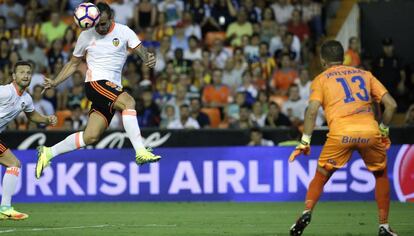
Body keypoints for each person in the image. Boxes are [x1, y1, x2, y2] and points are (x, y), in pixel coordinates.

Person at [36, 2, 160, 180]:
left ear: (112, 18)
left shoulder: (124, 31)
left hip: (112, 88)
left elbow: (141, 50)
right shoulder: (86, 35)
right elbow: (73, 64)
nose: (99, 27)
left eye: (103, 23)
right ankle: (141, 151)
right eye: (96, 24)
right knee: (129, 102)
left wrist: (148, 58)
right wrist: (55, 82)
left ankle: (48, 153)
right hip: (96, 83)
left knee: (91, 136)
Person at [288, 40, 398, 236]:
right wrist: (383, 130)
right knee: (380, 174)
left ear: (323, 61)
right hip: (369, 131)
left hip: (341, 133)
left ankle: (307, 211)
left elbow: (312, 111)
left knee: (321, 175)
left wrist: (305, 141)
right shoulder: (365, 74)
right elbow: (391, 105)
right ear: (343, 57)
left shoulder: (321, 79)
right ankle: (384, 225)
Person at [0, 61, 57, 220]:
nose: (26, 75)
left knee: (14, 164)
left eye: (28, 73)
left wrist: (46, 119)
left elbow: (32, 116)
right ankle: (5, 207)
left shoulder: (26, 98)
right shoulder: (5, 92)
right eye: (21, 72)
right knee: (14, 164)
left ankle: (5, 207)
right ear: (13, 76)